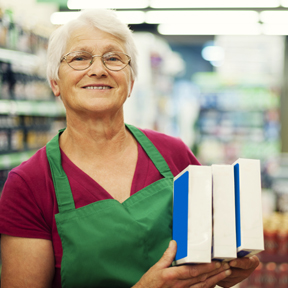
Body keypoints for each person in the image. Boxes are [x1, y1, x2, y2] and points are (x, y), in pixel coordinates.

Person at [0, 9, 259, 288]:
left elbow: (216, 249)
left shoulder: (175, 154)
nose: (98, 69)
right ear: (55, 82)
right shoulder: (29, 184)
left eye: (113, 58)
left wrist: (231, 270)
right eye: (79, 58)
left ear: (131, 82)